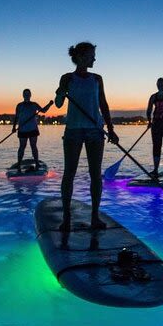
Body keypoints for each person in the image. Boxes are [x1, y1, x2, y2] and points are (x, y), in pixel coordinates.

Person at [55, 42, 118, 232]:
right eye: (92, 55)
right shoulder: (67, 78)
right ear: (81, 56)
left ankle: (95, 217)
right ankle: (66, 218)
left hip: (95, 130)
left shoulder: (97, 79)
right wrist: (60, 92)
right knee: (69, 174)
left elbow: (103, 104)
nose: (94, 59)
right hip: (73, 130)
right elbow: (58, 104)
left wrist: (111, 129)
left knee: (95, 175)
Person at [12, 89, 53, 172]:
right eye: (25, 94)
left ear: (30, 95)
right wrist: (13, 127)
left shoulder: (34, 104)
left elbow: (44, 110)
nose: (27, 95)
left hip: (32, 129)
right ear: (23, 95)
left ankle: (37, 163)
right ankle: (19, 164)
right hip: (22, 129)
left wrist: (49, 104)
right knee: (22, 147)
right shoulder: (19, 105)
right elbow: (16, 117)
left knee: (33, 146)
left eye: (28, 94)